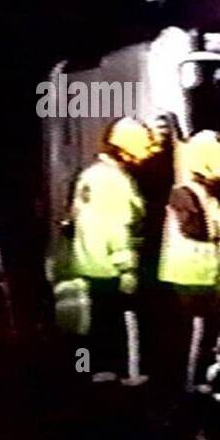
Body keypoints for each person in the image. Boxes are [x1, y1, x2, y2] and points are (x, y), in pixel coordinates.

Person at [69, 117, 154, 383]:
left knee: (101, 321)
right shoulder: (115, 181)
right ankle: (131, 373)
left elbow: (74, 218)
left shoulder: (90, 174)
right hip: (112, 265)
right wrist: (127, 268)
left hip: (90, 262)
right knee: (124, 321)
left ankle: (100, 372)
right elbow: (118, 227)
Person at [156, 130, 220, 396]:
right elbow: (197, 229)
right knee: (191, 339)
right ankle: (187, 391)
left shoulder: (205, 193)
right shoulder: (185, 193)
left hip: (204, 276)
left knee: (207, 339)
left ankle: (200, 386)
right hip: (187, 277)